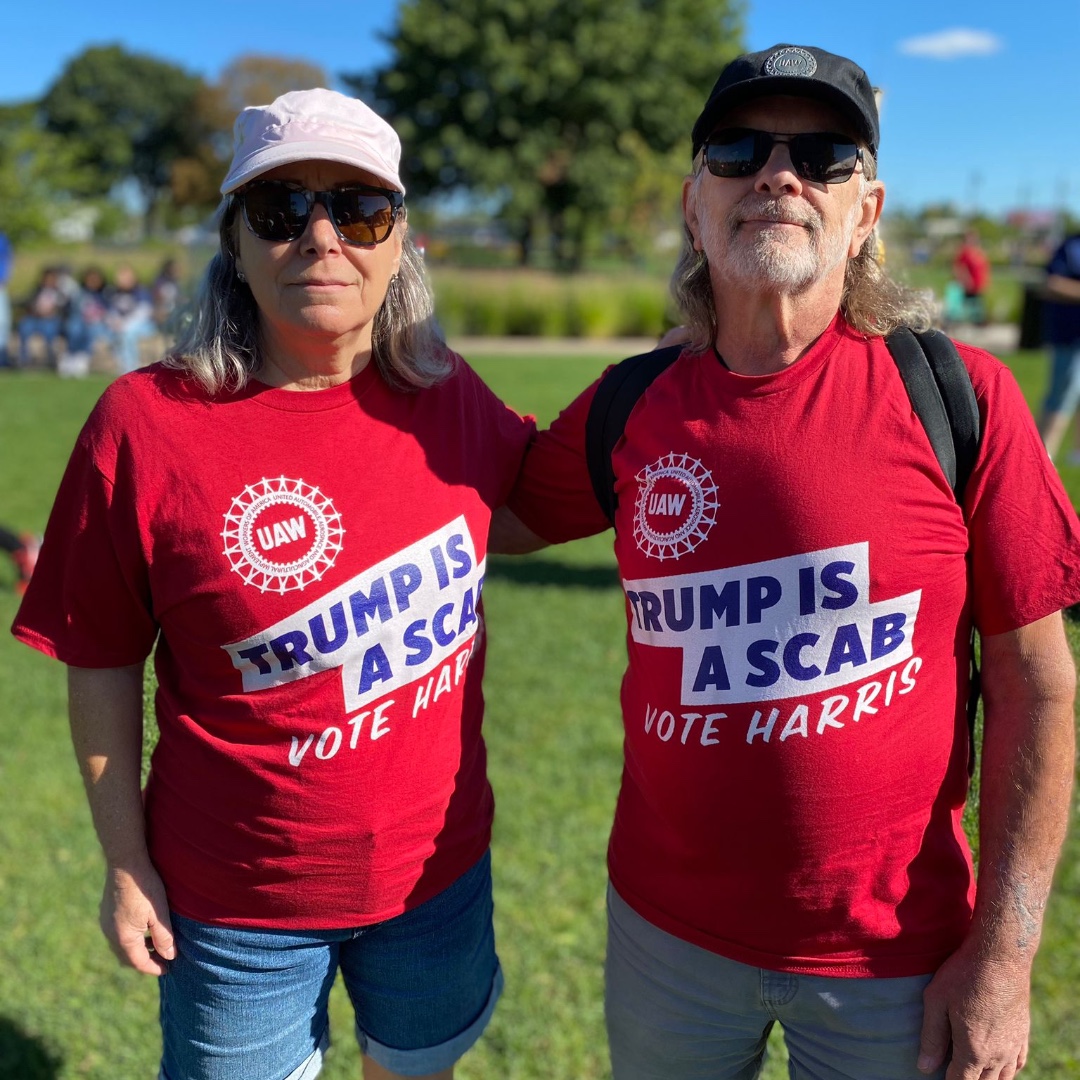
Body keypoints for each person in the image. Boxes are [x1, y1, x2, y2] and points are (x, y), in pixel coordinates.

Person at [496, 45, 1080, 1080]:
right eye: (738, 150)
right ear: (693, 207)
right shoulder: (630, 408)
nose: (778, 175)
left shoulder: (961, 398)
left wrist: (1006, 954)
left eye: (822, 155)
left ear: (866, 214)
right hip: (664, 940)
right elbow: (471, 518)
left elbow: (1039, 686)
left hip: (899, 954)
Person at [12, 87, 533, 1080]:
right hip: (233, 902)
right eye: (281, 210)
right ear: (236, 245)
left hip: (436, 876)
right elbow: (102, 661)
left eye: (360, 208)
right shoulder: (145, 423)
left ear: (401, 242)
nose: (322, 236)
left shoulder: (448, 396)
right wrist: (125, 863)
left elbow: (534, 500)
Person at [1036, 231, 1080, 462]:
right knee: (1062, 392)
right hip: (1069, 333)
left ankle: (1077, 453)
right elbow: (1052, 282)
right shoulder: (1070, 245)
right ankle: (1042, 454)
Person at [950, 229, 991, 325]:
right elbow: (959, 267)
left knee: (976, 306)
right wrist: (965, 281)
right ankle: (963, 323)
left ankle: (977, 323)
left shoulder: (977, 251)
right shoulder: (965, 252)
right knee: (968, 307)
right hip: (969, 285)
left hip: (978, 284)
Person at [0, 230, 11, 366]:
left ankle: (2, 355)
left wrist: (2, 278)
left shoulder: (2, 239)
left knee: (2, 322)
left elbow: (5, 259)